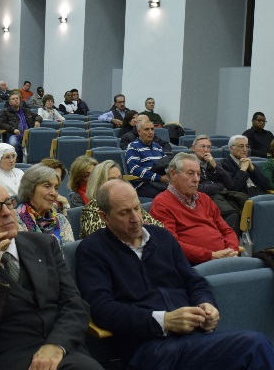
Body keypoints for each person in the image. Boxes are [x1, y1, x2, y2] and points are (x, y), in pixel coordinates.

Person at [76, 178, 274, 370]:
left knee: (253, 348)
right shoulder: (93, 250)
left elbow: (195, 282)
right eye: (124, 213)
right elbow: (102, 309)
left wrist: (206, 304)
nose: (136, 218)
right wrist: (164, 321)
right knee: (254, 347)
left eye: (137, 208)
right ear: (104, 217)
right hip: (147, 349)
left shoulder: (162, 237)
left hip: (192, 337)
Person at [0, 181, 102, 370]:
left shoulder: (44, 244)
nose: (6, 212)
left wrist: (57, 345)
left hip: (62, 350)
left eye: (8, 203)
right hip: (9, 359)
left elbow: (75, 304)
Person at [150, 153, 240, 265]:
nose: (196, 179)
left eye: (198, 174)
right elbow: (171, 244)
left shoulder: (205, 199)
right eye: (190, 174)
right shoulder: (161, 204)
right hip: (193, 266)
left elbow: (227, 231)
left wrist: (231, 250)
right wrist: (211, 255)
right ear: (173, 174)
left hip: (223, 259)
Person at [79, 160, 163, 239]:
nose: (118, 183)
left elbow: (159, 228)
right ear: (98, 184)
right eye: (111, 180)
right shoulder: (92, 210)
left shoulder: (131, 204)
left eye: (120, 178)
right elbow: (108, 243)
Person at [191, 135, 246, 236]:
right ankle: (229, 247)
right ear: (193, 148)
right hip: (198, 199)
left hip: (218, 197)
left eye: (209, 147)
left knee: (243, 207)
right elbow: (197, 188)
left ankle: (237, 245)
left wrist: (215, 166)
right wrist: (219, 186)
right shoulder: (189, 164)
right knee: (232, 215)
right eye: (203, 146)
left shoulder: (214, 164)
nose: (206, 150)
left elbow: (230, 184)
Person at [16, 164, 74, 244]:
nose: (54, 193)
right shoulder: (15, 221)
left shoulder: (61, 220)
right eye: (47, 186)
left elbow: (68, 254)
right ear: (30, 189)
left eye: (56, 188)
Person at [126, 120, 169, 198]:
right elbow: (135, 170)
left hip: (160, 183)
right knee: (167, 196)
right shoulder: (133, 147)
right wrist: (159, 178)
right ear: (139, 132)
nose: (150, 132)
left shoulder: (158, 147)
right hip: (143, 184)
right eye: (146, 129)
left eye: (152, 129)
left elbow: (167, 164)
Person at [0, 92, 42, 162]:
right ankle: (19, 162)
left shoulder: (26, 110)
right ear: (10, 103)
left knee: (40, 142)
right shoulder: (5, 111)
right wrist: (13, 129)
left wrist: (37, 121)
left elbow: (38, 116)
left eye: (17, 98)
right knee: (13, 143)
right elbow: (2, 124)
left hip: (28, 135)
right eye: (13, 99)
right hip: (14, 134)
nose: (16, 100)